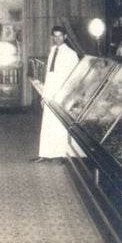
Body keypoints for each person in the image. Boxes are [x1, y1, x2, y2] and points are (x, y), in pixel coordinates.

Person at [35, 25, 80, 162]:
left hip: (62, 94)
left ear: (65, 37)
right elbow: (49, 75)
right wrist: (44, 95)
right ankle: (46, 154)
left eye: (60, 36)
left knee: (61, 125)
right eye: (55, 36)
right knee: (48, 123)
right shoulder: (52, 50)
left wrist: (69, 95)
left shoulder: (71, 54)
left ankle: (63, 154)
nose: (57, 39)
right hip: (50, 92)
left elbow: (75, 76)